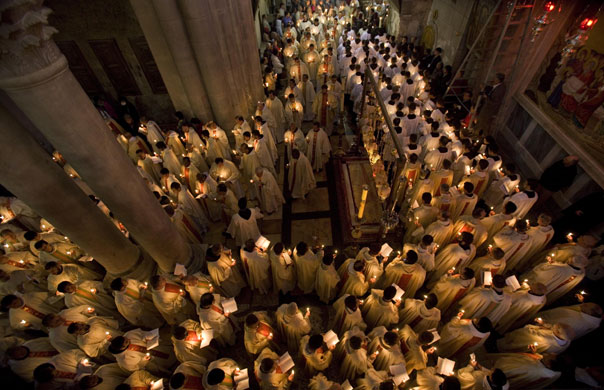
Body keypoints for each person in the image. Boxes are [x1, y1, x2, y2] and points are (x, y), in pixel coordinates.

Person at [108, 328, 176, 375]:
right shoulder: (124, 359)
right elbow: (136, 368)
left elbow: (142, 333)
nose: (128, 339)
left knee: (170, 351)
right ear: (121, 348)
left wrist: (146, 337)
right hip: (154, 361)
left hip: (158, 347)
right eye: (126, 342)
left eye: (125, 338)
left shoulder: (129, 334)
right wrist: (144, 360)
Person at [491, 352, 560, 389]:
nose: (549, 353)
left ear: (549, 364)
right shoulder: (545, 366)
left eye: (549, 355)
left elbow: (509, 370)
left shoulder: (533, 370)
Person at [538, 302, 602, 340]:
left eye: (585, 305)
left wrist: (543, 323)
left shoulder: (577, 322)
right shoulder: (588, 315)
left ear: (590, 312)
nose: (582, 305)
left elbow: (558, 329)